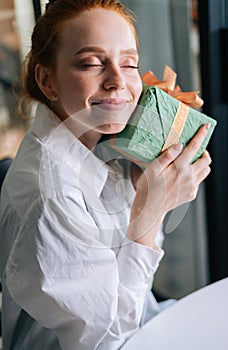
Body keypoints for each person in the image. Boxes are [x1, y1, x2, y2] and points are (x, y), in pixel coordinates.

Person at [0, 0, 212, 349]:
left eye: (129, 64)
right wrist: (151, 212)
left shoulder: (87, 148)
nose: (117, 81)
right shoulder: (50, 196)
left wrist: (140, 176)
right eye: (91, 63)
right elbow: (105, 340)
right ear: (47, 79)